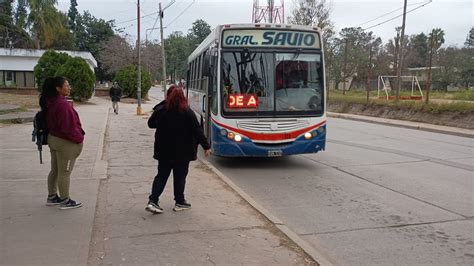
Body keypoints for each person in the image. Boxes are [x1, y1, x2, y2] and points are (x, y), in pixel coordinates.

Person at [146, 86, 211, 214]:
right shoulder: (187, 111)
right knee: (180, 177)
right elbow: (197, 130)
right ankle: (180, 202)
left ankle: (153, 201)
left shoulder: (161, 110)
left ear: (168, 96)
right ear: (182, 97)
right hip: (183, 153)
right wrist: (206, 146)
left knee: (161, 176)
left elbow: (151, 124)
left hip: (164, 152)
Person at [39, 77, 85, 210]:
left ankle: (52, 196)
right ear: (58, 88)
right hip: (65, 142)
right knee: (64, 172)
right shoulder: (62, 105)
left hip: (54, 138)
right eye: (67, 85)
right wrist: (79, 139)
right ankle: (65, 200)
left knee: (55, 170)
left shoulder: (50, 101)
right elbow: (68, 128)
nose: (69, 87)